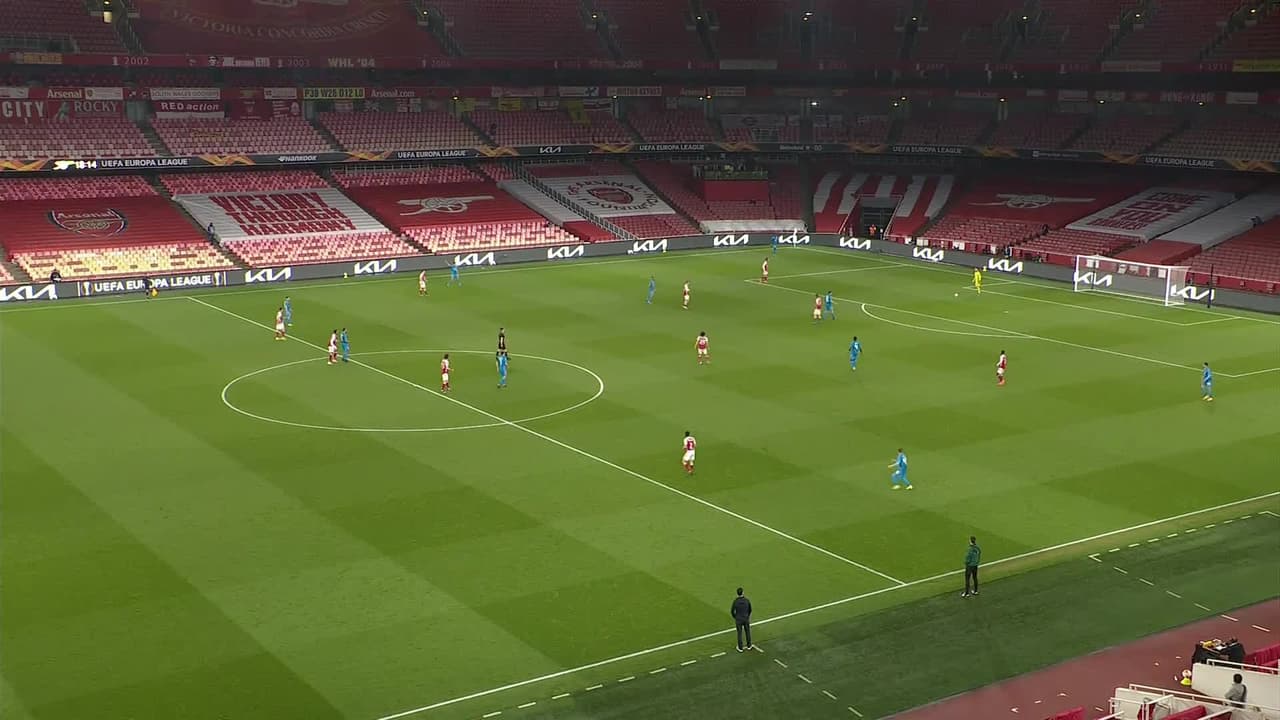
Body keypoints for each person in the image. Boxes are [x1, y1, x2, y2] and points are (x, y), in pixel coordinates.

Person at [731, 587, 753, 652]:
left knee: (739, 633)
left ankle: (740, 648)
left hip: (738, 619)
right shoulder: (746, 600)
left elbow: (732, 611)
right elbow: (750, 609)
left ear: (737, 593)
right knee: (747, 632)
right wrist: (747, 616)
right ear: (743, 593)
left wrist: (735, 617)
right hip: (746, 618)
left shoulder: (735, 601)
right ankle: (749, 645)